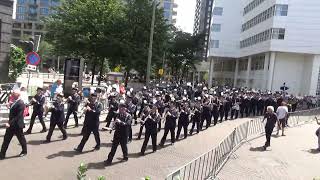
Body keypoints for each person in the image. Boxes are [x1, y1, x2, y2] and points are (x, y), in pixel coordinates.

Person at [0, 89, 27, 159]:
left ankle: (24, 151)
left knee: (21, 139)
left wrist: (9, 123)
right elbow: (13, 112)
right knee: (6, 139)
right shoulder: (14, 102)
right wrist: (9, 106)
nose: (12, 94)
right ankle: (2, 154)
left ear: (18, 95)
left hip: (17, 125)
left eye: (13, 93)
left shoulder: (21, 103)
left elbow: (18, 116)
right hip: (11, 125)